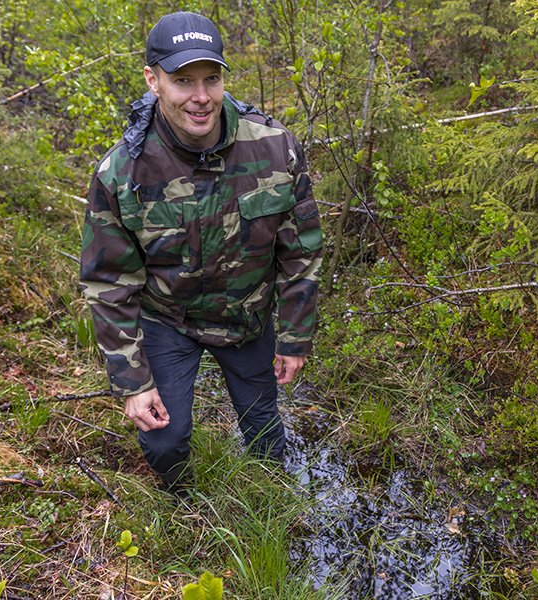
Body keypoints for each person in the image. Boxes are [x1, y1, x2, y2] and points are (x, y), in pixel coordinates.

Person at [79, 11, 323, 495]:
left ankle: (273, 504)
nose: (201, 97)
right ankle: (184, 511)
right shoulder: (123, 171)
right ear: (153, 81)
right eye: (183, 80)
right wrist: (133, 381)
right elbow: (109, 283)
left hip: (247, 316)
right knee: (165, 441)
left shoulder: (275, 147)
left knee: (265, 433)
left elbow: (302, 252)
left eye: (211, 79)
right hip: (169, 319)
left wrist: (294, 337)